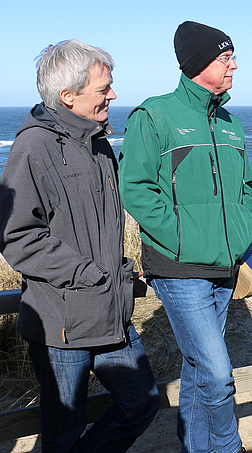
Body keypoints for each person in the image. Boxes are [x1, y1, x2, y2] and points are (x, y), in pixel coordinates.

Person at [0, 40, 159, 452]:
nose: (113, 94)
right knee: (63, 431)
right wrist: (87, 273)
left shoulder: (100, 144)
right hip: (62, 324)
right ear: (67, 96)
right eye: (103, 88)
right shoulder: (32, 147)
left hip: (111, 311)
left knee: (142, 402)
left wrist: (120, 271)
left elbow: (101, 224)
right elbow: (17, 235)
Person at [118, 21, 252, 453]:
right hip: (179, 267)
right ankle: (228, 448)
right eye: (225, 58)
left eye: (231, 57)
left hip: (224, 265)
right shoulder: (154, 115)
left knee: (197, 370)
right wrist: (179, 235)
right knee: (217, 374)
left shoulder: (230, 122)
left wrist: (242, 231)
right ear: (199, 64)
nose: (234, 66)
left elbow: (246, 187)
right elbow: (135, 187)